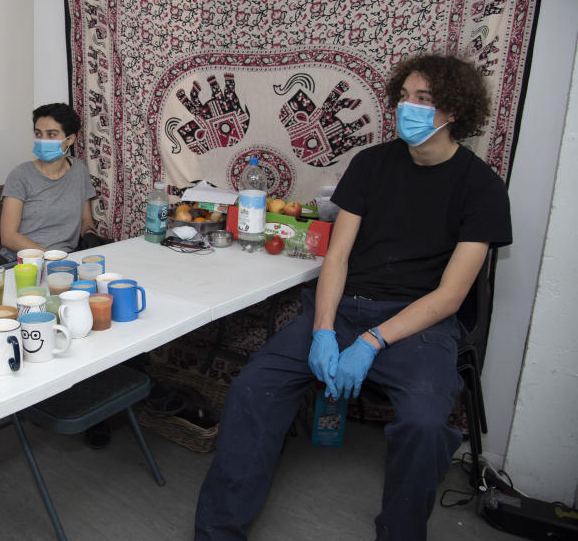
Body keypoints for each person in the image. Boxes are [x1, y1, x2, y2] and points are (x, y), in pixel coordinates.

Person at [194, 54, 512, 541]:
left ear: (454, 110)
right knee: (252, 389)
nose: (410, 108)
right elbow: (336, 258)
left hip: (417, 323)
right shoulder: (371, 165)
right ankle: (217, 532)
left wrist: (371, 342)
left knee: (426, 427)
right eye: (405, 97)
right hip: (342, 307)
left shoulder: (482, 187)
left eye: (424, 100)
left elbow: (451, 295)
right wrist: (324, 330)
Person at [0, 103, 103, 259]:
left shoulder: (79, 170)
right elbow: (8, 237)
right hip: (25, 261)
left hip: (68, 258)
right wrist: (53, 257)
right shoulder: (20, 175)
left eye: (52, 134)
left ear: (70, 139)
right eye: (38, 134)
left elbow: (85, 219)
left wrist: (89, 234)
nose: (43, 140)